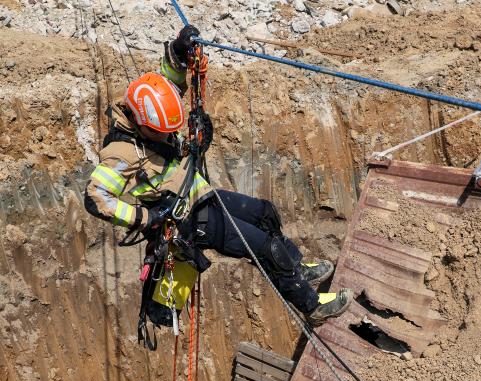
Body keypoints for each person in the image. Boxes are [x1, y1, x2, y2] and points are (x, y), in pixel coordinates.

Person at [84, 25, 353, 327]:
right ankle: (312, 305)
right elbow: (96, 199)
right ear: (139, 121)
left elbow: (170, 80)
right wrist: (148, 218)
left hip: (198, 194)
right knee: (265, 247)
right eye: (159, 132)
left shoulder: (145, 101)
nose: (165, 136)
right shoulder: (121, 153)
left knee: (264, 214)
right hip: (186, 221)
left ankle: (297, 268)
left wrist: (179, 49)